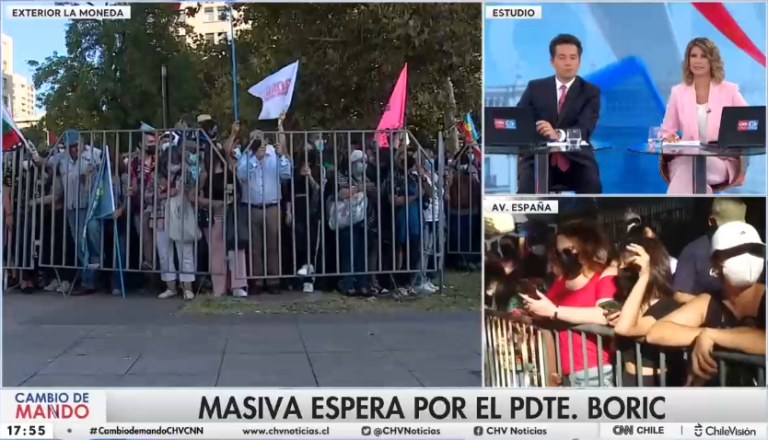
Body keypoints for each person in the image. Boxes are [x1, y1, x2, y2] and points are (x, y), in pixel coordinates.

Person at [646, 221, 765, 385]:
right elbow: (657, 332)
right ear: (714, 262)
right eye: (734, 252)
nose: (748, 258)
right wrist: (702, 336)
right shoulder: (709, 301)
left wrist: (713, 335)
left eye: (755, 250)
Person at [519, 219, 617, 386]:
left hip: (593, 370)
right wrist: (535, 310)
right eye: (559, 252)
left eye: (569, 250)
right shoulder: (562, 280)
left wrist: (554, 311)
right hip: (561, 372)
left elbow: (606, 314)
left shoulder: (607, 274)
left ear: (587, 245)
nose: (564, 256)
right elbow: (548, 309)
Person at [659, 37, 748, 194]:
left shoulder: (729, 91)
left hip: (719, 161)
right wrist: (668, 138)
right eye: (693, 56)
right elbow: (666, 131)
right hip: (684, 159)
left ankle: (672, 216)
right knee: (690, 167)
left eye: (703, 56)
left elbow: (750, 123)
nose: (697, 61)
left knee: (690, 168)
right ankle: (698, 213)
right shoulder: (678, 92)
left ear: (711, 60)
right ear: (688, 60)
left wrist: (743, 161)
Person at [516, 34, 602, 194]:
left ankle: (586, 218)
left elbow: (585, 129)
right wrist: (539, 132)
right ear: (552, 62)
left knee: (592, 184)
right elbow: (519, 119)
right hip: (538, 158)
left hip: (576, 159)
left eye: (573, 57)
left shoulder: (590, 92)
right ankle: (535, 219)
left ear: (579, 61)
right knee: (526, 188)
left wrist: (558, 134)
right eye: (562, 57)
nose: (568, 63)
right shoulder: (535, 88)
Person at [32, 130, 103, 295]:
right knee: (80, 244)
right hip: (72, 207)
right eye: (70, 146)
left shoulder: (95, 154)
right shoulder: (61, 158)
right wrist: (35, 157)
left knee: (92, 237)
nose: (73, 149)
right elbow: (44, 163)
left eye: (76, 145)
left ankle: (98, 269)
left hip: (92, 206)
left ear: (82, 142)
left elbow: (105, 174)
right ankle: (88, 281)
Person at [610, 236, 685, 386]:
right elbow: (616, 345)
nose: (621, 269)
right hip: (629, 381)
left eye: (630, 264)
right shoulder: (632, 303)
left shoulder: (668, 306)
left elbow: (624, 328)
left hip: (656, 385)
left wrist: (645, 275)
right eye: (621, 264)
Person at [236, 116, 291, 294]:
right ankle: (257, 281)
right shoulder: (246, 156)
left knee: (273, 245)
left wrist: (282, 156)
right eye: (253, 138)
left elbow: (286, 174)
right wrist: (255, 159)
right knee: (255, 247)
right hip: (252, 207)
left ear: (265, 139)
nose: (256, 141)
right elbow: (242, 176)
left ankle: (274, 280)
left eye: (259, 138)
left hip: (272, 207)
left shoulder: (274, 153)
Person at [196, 122, 249, 298]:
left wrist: (233, 134)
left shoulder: (230, 170)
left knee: (237, 250)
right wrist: (211, 202)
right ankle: (219, 287)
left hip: (232, 215)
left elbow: (227, 149)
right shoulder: (206, 174)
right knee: (217, 254)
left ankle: (238, 285)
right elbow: (193, 196)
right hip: (215, 218)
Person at [673, 198, 746, 304]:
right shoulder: (694, 251)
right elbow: (679, 295)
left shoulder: (749, 248)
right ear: (712, 221)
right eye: (727, 227)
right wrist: (714, 307)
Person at [154, 144, 199, 300]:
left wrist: (186, 167)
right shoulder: (157, 177)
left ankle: (188, 288)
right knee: (165, 254)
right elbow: (147, 196)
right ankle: (170, 287)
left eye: (176, 161)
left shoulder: (185, 175)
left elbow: (193, 187)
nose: (173, 165)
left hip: (181, 217)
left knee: (185, 252)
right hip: (160, 218)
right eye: (170, 162)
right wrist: (164, 194)